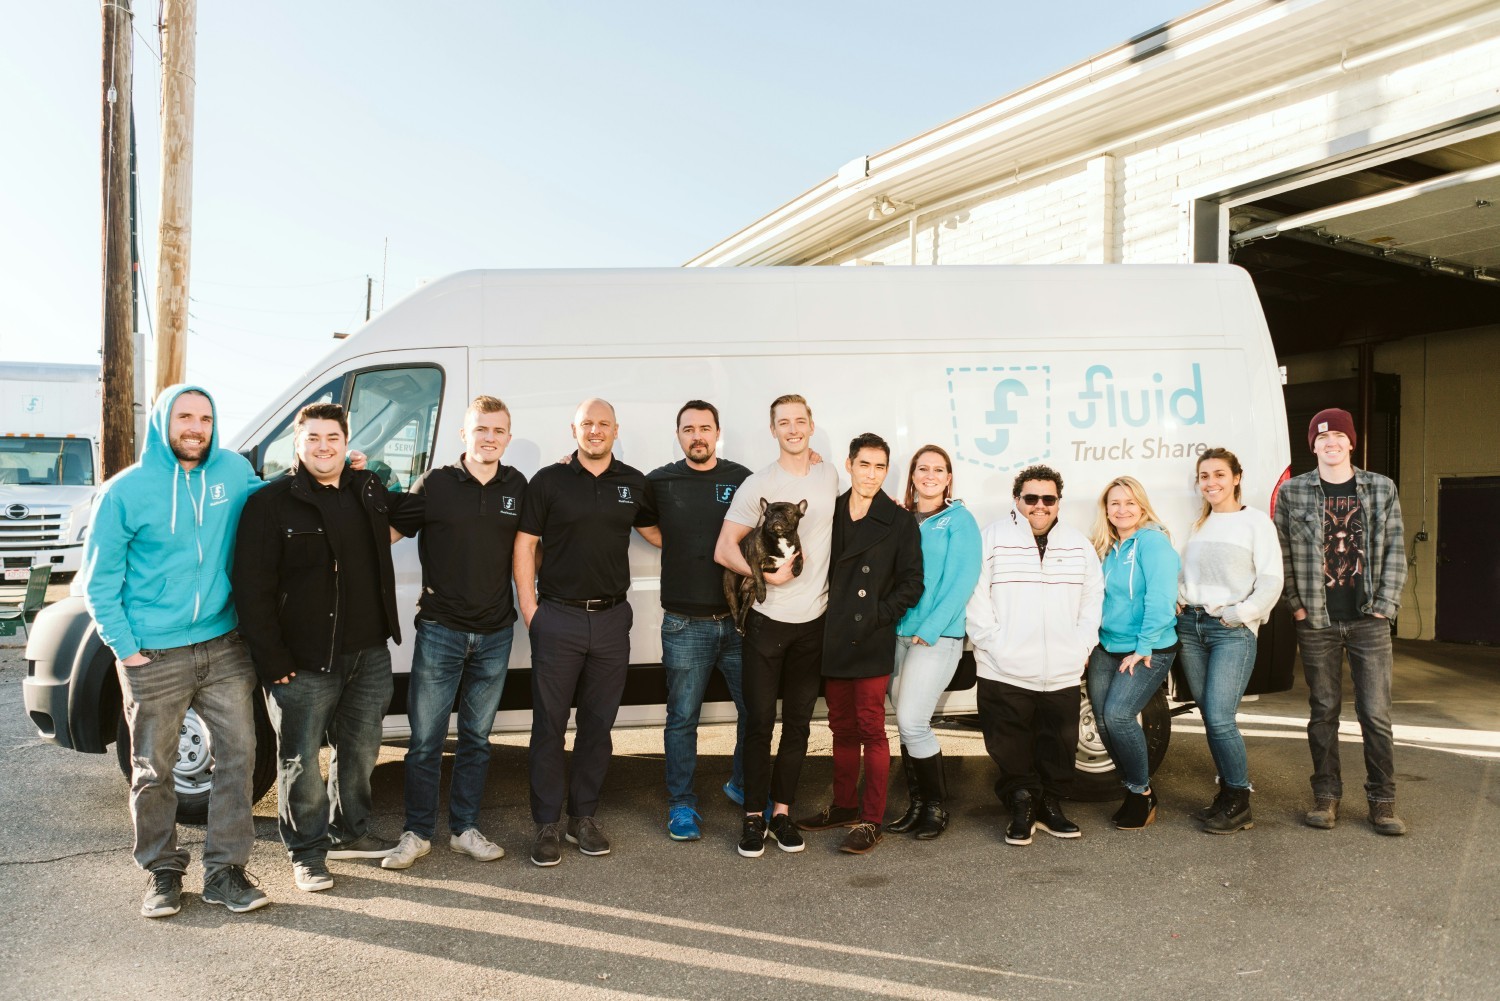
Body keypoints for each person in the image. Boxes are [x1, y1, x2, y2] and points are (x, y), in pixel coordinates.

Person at [82, 385, 270, 918]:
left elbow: (270, 497)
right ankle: (162, 871)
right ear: (165, 422)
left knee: (239, 758)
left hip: (223, 643)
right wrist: (126, 649)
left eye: (206, 418)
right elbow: (99, 583)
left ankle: (225, 871)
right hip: (154, 654)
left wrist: (331, 471)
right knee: (153, 770)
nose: (196, 427)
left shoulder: (231, 472)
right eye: (185, 417)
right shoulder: (126, 491)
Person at [233, 403, 422, 892]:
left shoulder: (366, 490)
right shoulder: (269, 502)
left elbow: (416, 510)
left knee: (360, 753)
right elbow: (251, 589)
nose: (323, 446)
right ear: (297, 443)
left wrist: (373, 472)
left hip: (369, 653)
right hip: (302, 661)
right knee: (300, 761)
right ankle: (307, 852)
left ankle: (350, 832)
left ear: (346, 442)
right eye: (313, 437)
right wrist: (272, 661)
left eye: (332, 438)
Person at [382, 396, 528, 871]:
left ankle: (465, 829)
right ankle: (418, 833)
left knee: (477, 739)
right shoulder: (437, 483)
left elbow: (531, 547)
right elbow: (386, 533)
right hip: (441, 630)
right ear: (464, 434)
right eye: (481, 429)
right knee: (425, 741)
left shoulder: (518, 485)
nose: (490, 438)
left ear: (508, 437)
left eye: (498, 431)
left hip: (495, 633)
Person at [514, 398, 659, 866]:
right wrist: (530, 607)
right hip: (558, 618)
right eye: (587, 424)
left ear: (617, 429)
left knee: (598, 725)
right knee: (549, 726)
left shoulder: (633, 483)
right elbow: (525, 543)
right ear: (573, 429)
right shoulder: (549, 481)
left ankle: (584, 818)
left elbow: (659, 532)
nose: (595, 431)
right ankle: (547, 825)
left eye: (603, 424)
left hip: (613, 619)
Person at [715, 394, 839, 859]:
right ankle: (753, 818)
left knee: (800, 726)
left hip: (814, 624)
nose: (792, 429)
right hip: (767, 625)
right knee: (759, 723)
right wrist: (764, 576)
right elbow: (724, 549)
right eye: (783, 422)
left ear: (811, 425)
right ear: (773, 430)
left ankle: (782, 814)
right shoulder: (757, 485)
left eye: (800, 421)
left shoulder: (828, 475)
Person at [1274, 408, 1409, 835]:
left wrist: (1385, 605)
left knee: (1375, 713)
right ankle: (1326, 797)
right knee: (1324, 710)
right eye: (1322, 438)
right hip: (1316, 619)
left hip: (1368, 617)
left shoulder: (1380, 488)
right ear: (1312, 445)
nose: (1330, 444)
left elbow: (1394, 550)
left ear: (1351, 442)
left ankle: (1382, 802)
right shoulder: (1293, 492)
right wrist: (1295, 605)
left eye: (1338, 438)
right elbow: (1282, 554)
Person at [796, 434, 923, 854]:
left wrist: (878, 616)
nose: (871, 474)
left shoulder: (899, 520)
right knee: (841, 727)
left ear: (887, 472)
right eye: (864, 464)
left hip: (870, 638)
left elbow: (911, 583)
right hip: (834, 636)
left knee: (872, 729)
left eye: (880, 467)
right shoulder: (829, 512)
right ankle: (843, 805)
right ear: (849, 465)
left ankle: (871, 820)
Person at [967, 465, 1102, 846]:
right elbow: (975, 596)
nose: (1039, 506)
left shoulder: (1078, 545)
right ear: (1017, 500)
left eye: (1048, 499)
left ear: (1058, 502)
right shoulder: (991, 539)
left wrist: (1080, 646)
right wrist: (995, 643)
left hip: (1060, 669)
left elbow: (1093, 600)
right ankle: (1022, 806)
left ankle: (1050, 807)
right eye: (1031, 498)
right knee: (1009, 744)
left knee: (1057, 744)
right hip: (1002, 669)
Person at [642, 401, 752, 842]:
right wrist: (681, 543)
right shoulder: (660, 481)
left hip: (739, 622)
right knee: (682, 718)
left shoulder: (741, 478)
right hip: (685, 624)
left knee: (754, 711)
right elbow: (643, 523)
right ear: (679, 436)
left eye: (705, 428)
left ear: (717, 433)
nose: (697, 436)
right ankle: (681, 805)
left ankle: (743, 785)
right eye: (689, 429)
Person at [1177, 447, 1283, 835]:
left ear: (1236, 477)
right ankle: (1226, 795)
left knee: (1221, 717)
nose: (1211, 482)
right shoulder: (1198, 524)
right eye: (1204, 476)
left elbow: (1271, 579)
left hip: (1230, 631)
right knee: (1210, 715)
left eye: (1219, 475)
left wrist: (1241, 614)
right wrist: (1180, 595)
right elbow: (1185, 573)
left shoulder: (1256, 523)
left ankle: (1240, 800)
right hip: (1191, 628)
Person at [887, 445, 981, 841]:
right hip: (898, 634)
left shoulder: (959, 520)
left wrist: (931, 627)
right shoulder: (903, 518)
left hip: (935, 636)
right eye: (922, 469)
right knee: (906, 722)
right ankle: (917, 806)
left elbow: (963, 581)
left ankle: (937, 808)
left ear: (948, 478)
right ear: (912, 476)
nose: (929, 475)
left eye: (937, 470)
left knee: (912, 721)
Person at [1087, 476, 1180, 831]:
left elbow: (1160, 600)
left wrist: (1142, 647)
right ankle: (1134, 788)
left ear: (1141, 505)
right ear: (1106, 510)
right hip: (1107, 646)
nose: (1122, 509)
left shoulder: (1152, 543)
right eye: (1114, 503)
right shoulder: (1108, 548)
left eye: (1129, 502)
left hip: (1149, 647)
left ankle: (1141, 792)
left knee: (1119, 715)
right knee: (1103, 719)